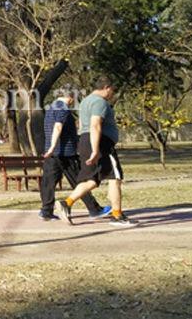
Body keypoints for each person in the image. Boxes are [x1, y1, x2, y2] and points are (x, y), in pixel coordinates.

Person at [57, 76, 137, 226]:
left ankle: (66, 203)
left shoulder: (85, 101)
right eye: (112, 90)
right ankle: (117, 215)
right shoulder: (99, 102)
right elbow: (95, 125)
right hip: (100, 143)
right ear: (107, 87)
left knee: (92, 180)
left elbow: (83, 124)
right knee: (115, 177)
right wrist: (95, 150)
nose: (113, 93)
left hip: (85, 140)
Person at [40, 88, 111, 221]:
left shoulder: (51, 107)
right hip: (66, 153)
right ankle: (94, 209)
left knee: (48, 182)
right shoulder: (63, 109)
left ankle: (46, 211)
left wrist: (50, 148)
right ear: (71, 97)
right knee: (79, 181)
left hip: (52, 154)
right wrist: (53, 146)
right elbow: (58, 127)